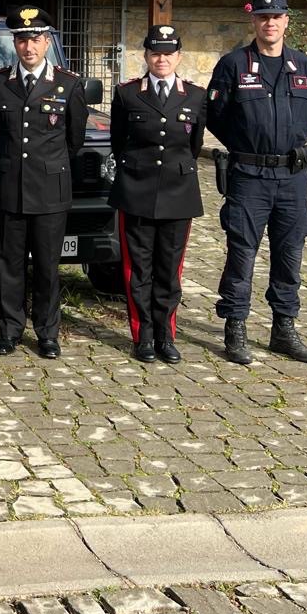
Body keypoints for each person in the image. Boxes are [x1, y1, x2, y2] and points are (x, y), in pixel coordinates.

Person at [205, 0, 307, 365]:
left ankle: (283, 330)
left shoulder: (304, 66)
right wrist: (248, 144)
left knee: (290, 254)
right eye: (262, 16)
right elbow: (217, 116)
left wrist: (291, 139)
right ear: (253, 20)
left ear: (286, 21)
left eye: (276, 16)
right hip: (249, 174)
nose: (269, 23)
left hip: (292, 176)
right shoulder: (233, 65)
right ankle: (235, 328)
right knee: (242, 254)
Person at [0, 6, 87, 359]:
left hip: (49, 192)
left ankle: (47, 333)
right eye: (23, 39)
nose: (29, 47)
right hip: (10, 188)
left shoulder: (68, 84)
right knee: (8, 264)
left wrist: (46, 168)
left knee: (46, 266)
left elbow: (74, 140)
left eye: (37, 39)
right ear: (15, 43)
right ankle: (9, 330)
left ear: (47, 42)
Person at [109, 24, 206, 364]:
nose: (161, 59)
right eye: (155, 53)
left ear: (178, 56)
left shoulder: (194, 96)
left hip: (178, 194)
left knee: (169, 270)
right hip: (136, 190)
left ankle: (166, 335)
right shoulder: (127, 94)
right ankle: (143, 336)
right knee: (138, 269)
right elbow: (119, 141)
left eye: (168, 53)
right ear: (146, 56)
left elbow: (192, 146)